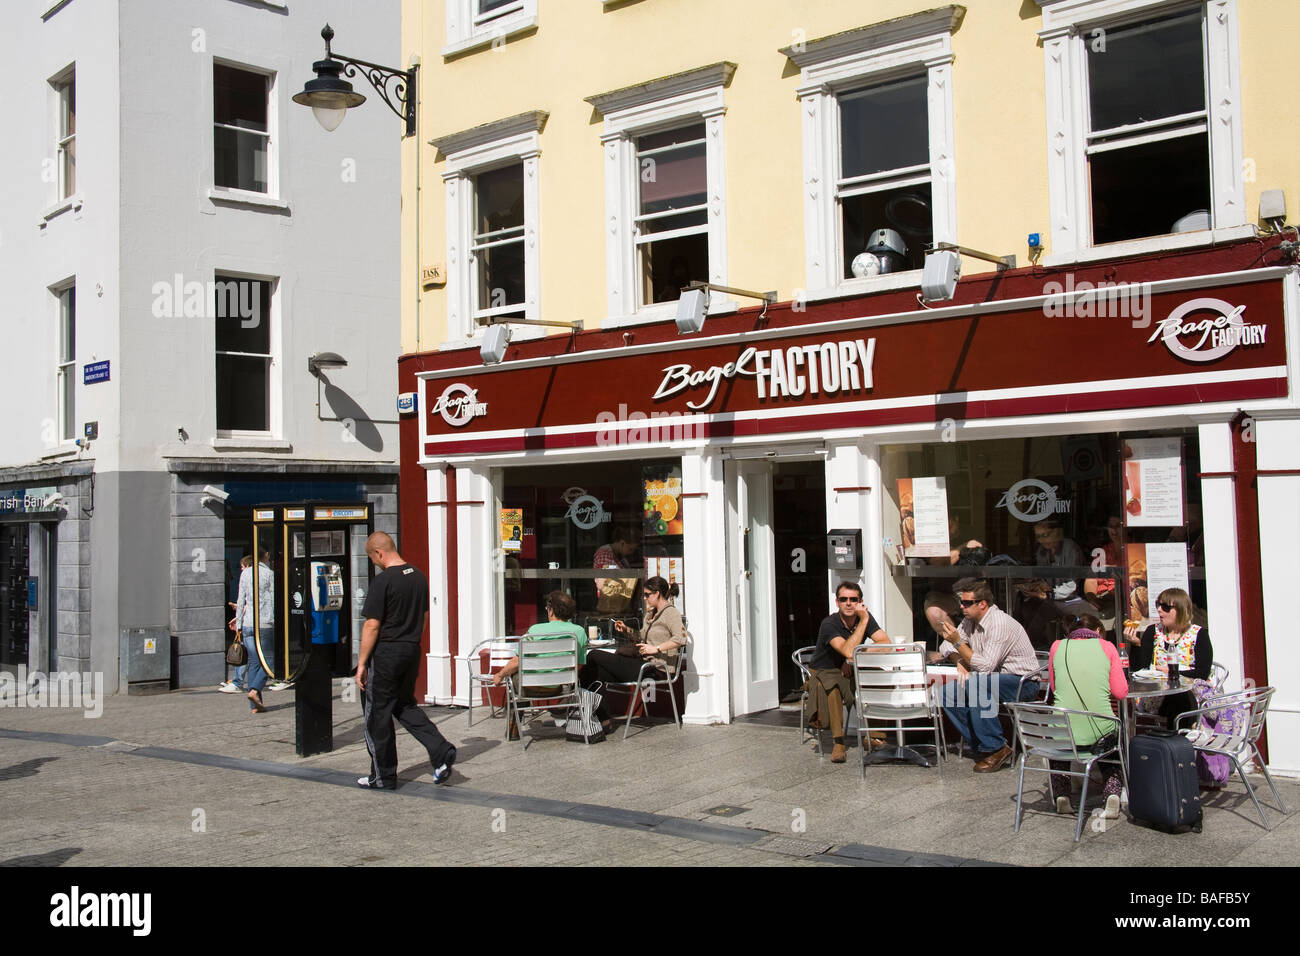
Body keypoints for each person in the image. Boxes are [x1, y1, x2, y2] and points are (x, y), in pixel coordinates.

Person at [356, 531, 456, 790]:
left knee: (377, 715)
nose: (375, 564)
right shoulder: (419, 576)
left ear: (379, 553)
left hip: (386, 654)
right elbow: (424, 617)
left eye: (373, 559)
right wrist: (410, 640)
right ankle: (441, 750)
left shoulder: (383, 581)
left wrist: (362, 663)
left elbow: (372, 625)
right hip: (410, 650)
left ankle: (383, 776)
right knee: (404, 705)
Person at [934, 578, 1041, 772]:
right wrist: (960, 660)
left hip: (1023, 682)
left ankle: (996, 747)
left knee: (977, 684)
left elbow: (985, 667)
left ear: (982, 604)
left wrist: (959, 643)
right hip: (993, 680)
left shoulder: (999, 623)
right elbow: (945, 646)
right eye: (961, 602)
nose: (962, 606)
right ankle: (981, 744)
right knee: (947, 693)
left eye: (967, 603)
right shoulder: (969, 621)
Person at [579, 576, 685, 732]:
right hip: (641, 662)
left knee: (593, 654)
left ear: (657, 593)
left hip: (656, 669)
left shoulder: (671, 613)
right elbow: (640, 636)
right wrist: (626, 629)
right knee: (594, 672)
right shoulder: (651, 614)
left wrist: (656, 649)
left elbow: (680, 639)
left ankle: (572, 704)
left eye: (647, 594)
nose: (645, 598)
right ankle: (604, 719)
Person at [1047, 615, 1127, 819]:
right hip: (1099, 733)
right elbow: (1120, 693)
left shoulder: (1057, 646)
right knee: (1109, 734)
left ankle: (1062, 795)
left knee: (1059, 734)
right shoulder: (1108, 647)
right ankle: (1112, 793)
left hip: (1063, 731)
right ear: (1098, 631)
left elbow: (1055, 689)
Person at [803, 582, 891, 764]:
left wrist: (855, 656)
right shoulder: (829, 623)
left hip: (849, 667)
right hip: (824, 671)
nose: (849, 603)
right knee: (832, 687)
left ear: (860, 602)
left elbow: (885, 643)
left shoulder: (864, 618)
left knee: (878, 678)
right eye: (844, 599)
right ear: (837, 602)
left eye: (853, 599)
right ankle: (838, 742)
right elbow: (848, 650)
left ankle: (874, 736)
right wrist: (863, 624)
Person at [492, 591, 588, 739]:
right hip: (558, 689)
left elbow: (517, 661)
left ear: (551, 610)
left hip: (529, 688)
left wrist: (500, 675)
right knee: (520, 677)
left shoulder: (535, 630)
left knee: (515, 675)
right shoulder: (579, 632)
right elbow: (579, 664)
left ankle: (513, 727)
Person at [1126, 587, 1213, 727]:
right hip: (1157, 694)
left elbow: (1203, 672)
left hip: (1192, 692)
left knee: (1180, 695)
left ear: (1181, 610)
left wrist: (1173, 672)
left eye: (1165, 607)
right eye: (1158, 605)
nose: (1159, 610)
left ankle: (1178, 735)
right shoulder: (1152, 631)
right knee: (1176, 698)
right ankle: (1183, 735)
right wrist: (1136, 645)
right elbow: (1140, 669)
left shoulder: (1198, 634)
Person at [230, 551, 274, 713]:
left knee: (254, 662)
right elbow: (273, 600)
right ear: (266, 555)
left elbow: (241, 599)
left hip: (248, 623)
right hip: (265, 623)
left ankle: (255, 706)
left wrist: (239, 623)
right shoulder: (269, 574)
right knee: (270, 661)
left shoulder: (245, 574)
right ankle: (254, 690)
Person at [220, 555, 253, 694]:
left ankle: (238, 682)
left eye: (242, 567)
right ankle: (239, 682)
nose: (241, 569)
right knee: (248, 652)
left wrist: (238, 618)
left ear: (247, 566)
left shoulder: (248, 577)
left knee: (245, 652)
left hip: (252, 623)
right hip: (253, 622)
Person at [1033, 518, 1085, 602]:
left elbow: (1072, 586)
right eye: (1038, 536)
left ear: (1057, 533)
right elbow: (1042, 579)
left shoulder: (1070, 548)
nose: (1041, 540)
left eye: (1045, 535)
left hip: (1071, 601)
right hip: (1050, 599)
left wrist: (1050, 595)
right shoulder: (1041, 550)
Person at [593, 526, 640, 615]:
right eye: (630, 549)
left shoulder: (620, 556)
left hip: (618, 599)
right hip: (610, 600)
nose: (631, 552)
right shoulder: (605, 553)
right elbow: (603, 581)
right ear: (622, 543)